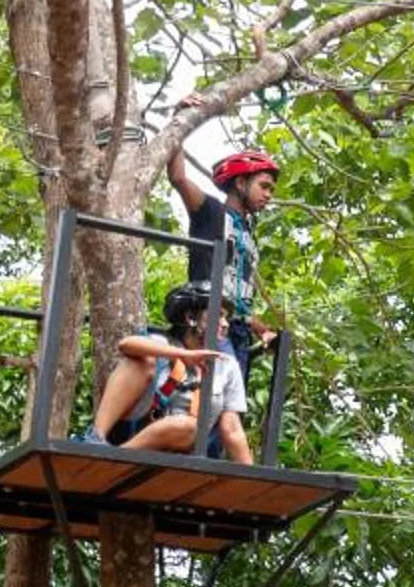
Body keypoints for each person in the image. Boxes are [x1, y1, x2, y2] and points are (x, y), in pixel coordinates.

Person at [91, 283, 255, 463]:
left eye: (227, 318)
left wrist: (255, 482)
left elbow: (231, 428)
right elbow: (126, 345)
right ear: (190, 317)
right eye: (219, 315)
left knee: (187, 426)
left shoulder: (228, 365)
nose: (225, 324)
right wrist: (184, 355)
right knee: (140, 362)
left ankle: (115, 458)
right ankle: (96, 439)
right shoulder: (162, 342)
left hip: (183, 446)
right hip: (138, 430)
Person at [169, 116, 280, 379]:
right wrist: (179, 119)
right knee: (218, 403)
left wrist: (262, 330)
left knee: (231, 408)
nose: (268, 195)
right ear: (241, 183)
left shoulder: (249, 235)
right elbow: (178, 177)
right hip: (209, 321)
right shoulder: (211, 212)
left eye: (272, 190)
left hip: (237, 331)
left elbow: (240, 299)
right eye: (264, 186)